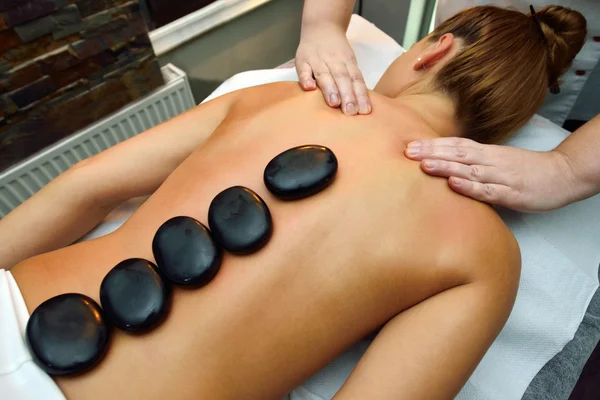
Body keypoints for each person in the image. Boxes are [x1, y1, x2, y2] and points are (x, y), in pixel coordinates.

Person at [0, 5, 585, 400]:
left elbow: (85, 184)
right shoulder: (485, 255)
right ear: (500, 133)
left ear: (434, 50)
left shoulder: (276, 99)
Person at [296, 0, 600, 212]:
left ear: (437, 50)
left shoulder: (291, 100)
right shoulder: (486, 251)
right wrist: (323, 23)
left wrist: (569, 170)